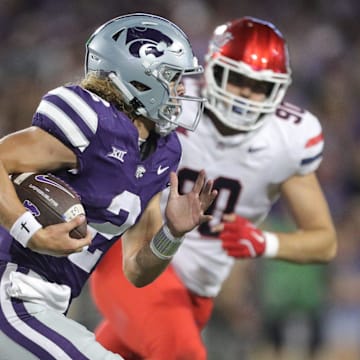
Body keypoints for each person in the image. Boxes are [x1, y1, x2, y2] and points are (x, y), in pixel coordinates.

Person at [90, 16, 338, 360]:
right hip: (135, 259)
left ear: (278, 89)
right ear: (211, 70)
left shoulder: (290, 138)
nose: (247, 95)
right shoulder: (168, 101)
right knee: (183, 355)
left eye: (260, 86)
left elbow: (323, 241)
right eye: (237, 79)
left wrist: (263, 241)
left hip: (198, 292)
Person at [0, 13, 218, 360]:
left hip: (48, 306)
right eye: (173, 77)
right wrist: (30, 233)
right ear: (139, 77)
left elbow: (136, 270)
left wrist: (172, 234)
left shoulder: (163, 152)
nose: (182, 89)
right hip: (12, 291)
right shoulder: (91, 118)